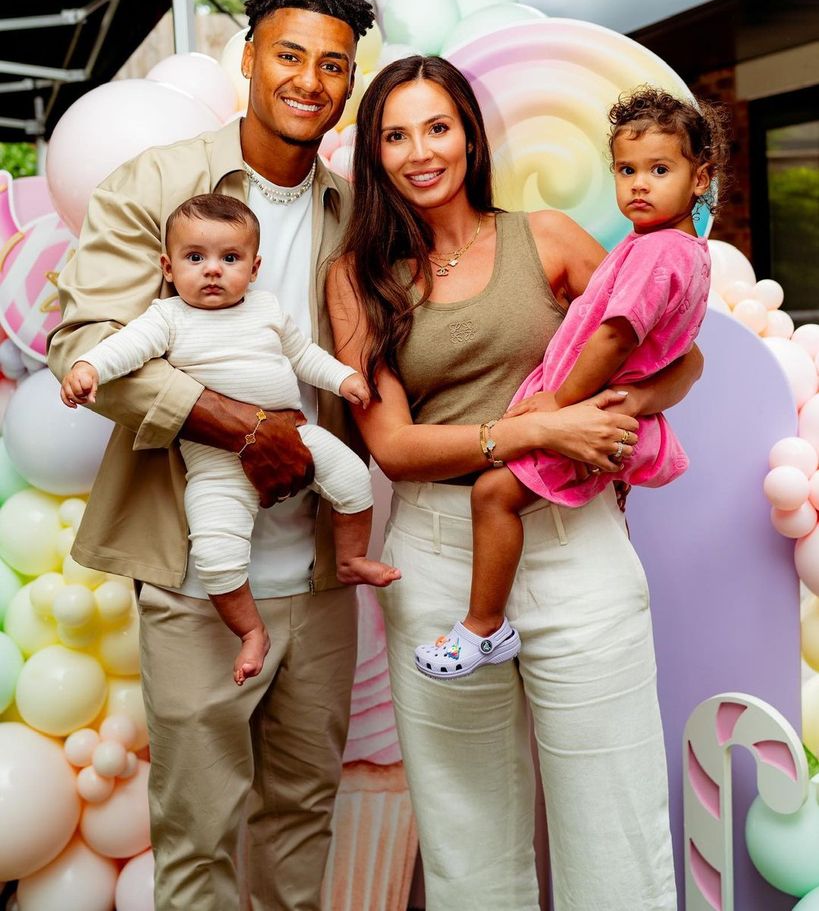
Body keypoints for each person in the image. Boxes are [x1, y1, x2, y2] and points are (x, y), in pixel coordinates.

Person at [327, 56, 704, 910]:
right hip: (437, 555)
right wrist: (534, 428)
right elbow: (392, 444)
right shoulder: (357, 279)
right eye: (394, 134)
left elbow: (679, 354)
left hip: (576, 551)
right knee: (469, 847)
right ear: (373, 153)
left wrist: (625, 404)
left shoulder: (546, 239)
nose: (419, 151)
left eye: (436, 126)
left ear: (468, 133)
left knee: (616, 830)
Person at [48, 0, 375, 911]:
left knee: (304, 812)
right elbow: (85, 346)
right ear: (248, 60)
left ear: (348, 81)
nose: (309, 79)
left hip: (317, 573)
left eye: (333, 64)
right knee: (195, 829)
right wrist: (245, 427)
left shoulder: (350, 211)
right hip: (195, 573)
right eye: (289, 54)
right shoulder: (157, 184)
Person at [414, 85, 726, 680]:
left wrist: (556, 403)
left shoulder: (659, 253)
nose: (639, 184)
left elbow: (615, 336)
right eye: (626, 169)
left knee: (492, 495)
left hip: (583, 408)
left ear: (700, 178)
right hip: (601, 406)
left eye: (660, 170)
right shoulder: (674, 249)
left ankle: (482, 628)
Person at [59, 193, 399, 685]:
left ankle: (349, 559)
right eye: (195, 258)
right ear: (168, 267)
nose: (212, 270)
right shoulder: (167, 317)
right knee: (216, 556)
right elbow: (125, 348)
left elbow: (303, 355)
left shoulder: (265, 310)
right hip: (216, 464)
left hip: (296, 434)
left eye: (230, 258)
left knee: (353, 476)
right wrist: (89, 366)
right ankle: (251, 632)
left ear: (255, 267)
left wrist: (342, 379)